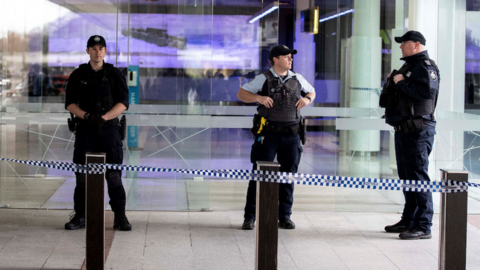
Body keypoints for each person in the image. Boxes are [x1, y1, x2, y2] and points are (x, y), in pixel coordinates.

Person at [237, 45, 316, 230]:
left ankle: (284, 216)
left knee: (288, 177)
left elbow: (311, 92)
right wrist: (259, 98)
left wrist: (307, 99)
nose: (290, 60)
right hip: (268, 135)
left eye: (291, 57)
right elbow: (241, 94)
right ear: (275, 59)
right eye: (287, 57)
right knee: (258, 176)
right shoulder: (263, 78)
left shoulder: (298, 78)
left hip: (292, 135)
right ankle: (250, 217)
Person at [64, 35, 131, 231]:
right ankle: (81, 216)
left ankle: (120, 217)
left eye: (101, 48)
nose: (97, 51)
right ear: (87, 51)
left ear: (105, 51)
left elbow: (124, 103)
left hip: (109, 130)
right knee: (82, 177)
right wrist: (86, 117)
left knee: (114, 176)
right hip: (85, 130)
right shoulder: (78, 74)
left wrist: (104, 117)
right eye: (93, 48)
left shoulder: (114, 74)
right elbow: (69, 103)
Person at [380, 31, 440, 240]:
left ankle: (423, 225)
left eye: (404, 43)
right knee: (407, 177)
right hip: (404, 128)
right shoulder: (409, 67)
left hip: (418, 129)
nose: (400, 47)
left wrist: (401, 82)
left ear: (416, 45)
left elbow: (426, 94)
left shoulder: (425, 66)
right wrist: (394, 81)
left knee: (418, 176)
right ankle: (409, 219)